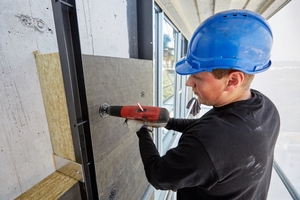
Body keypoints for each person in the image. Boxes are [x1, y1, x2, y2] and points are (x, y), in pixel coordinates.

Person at [135, 9, 280, 199]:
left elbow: (159, 175)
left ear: (232, 81)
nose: (188, 82)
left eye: (197, 76)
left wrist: (141, 131)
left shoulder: (210, 145)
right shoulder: (266, 108)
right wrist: (167, 122)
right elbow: (205, 127)